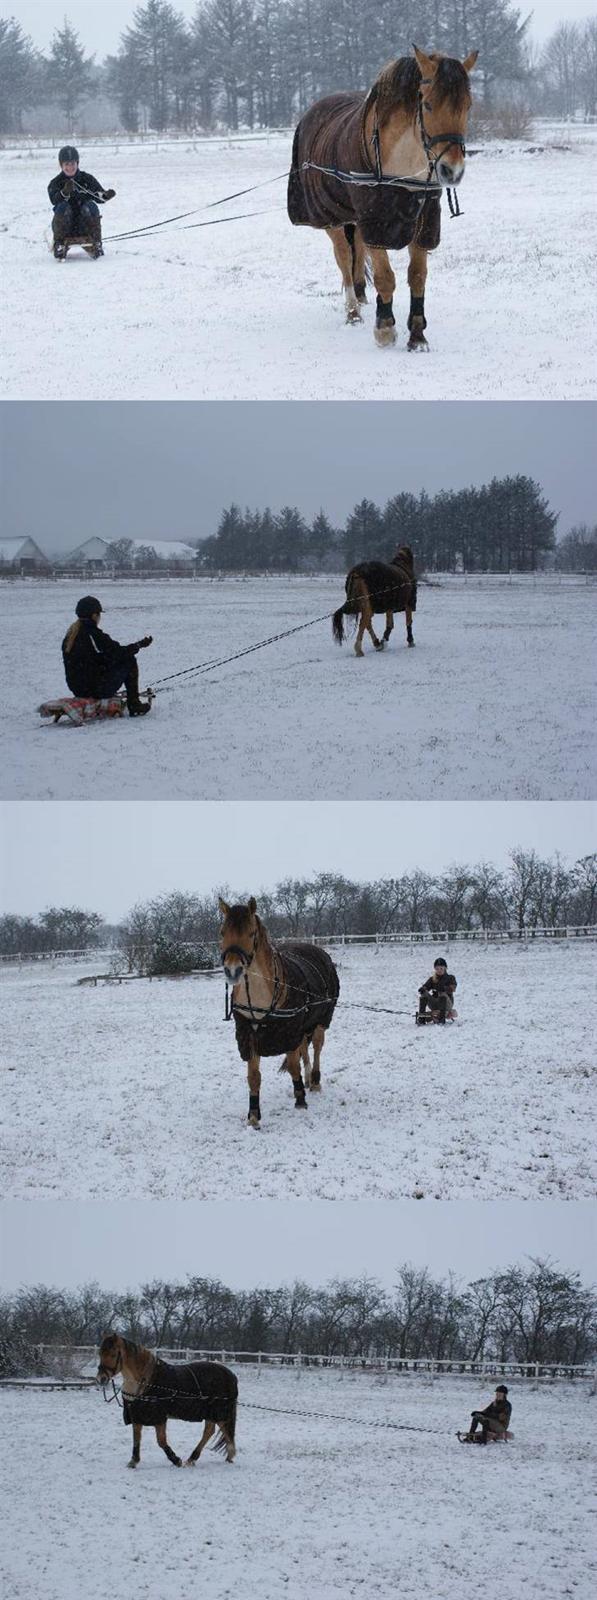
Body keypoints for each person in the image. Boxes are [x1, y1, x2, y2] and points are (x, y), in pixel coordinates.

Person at [62, 597, 153, 716]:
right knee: (129, 660)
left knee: (117, 660)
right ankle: (134, 704)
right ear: (94, 615)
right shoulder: (94, 634)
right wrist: (138, 645)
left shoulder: (71, 635)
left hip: (78, 689)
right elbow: (117, 653)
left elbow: (96, 659)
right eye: (99, 614)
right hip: (94, 689)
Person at [48, 147, 116, 260]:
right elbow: (54, 200)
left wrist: (106, 196)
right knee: (62, 206)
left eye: (73, 164)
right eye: (67, 164)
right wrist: (64, 192)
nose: (70, 167)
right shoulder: (55, 182)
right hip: (66, 226)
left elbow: (98, 195)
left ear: (77, 163)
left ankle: (97, 242)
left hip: (84, 224)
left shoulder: (87, 179)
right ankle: (59, 245)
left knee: (91, 205)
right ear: (61, 165)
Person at [416, 958, 457, 1024]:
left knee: (441, 993)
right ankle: (421, 1017)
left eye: (441, 968)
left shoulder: (450, 977)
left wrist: (444, 988)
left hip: (447, 1004)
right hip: (435, 1004)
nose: (439, 970)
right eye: (437, 969)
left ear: (445, 968)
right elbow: (426, 986)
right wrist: (423, 989)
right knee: (424, 993)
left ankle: (441, 1019)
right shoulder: (433, 979)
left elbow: (453, 988)